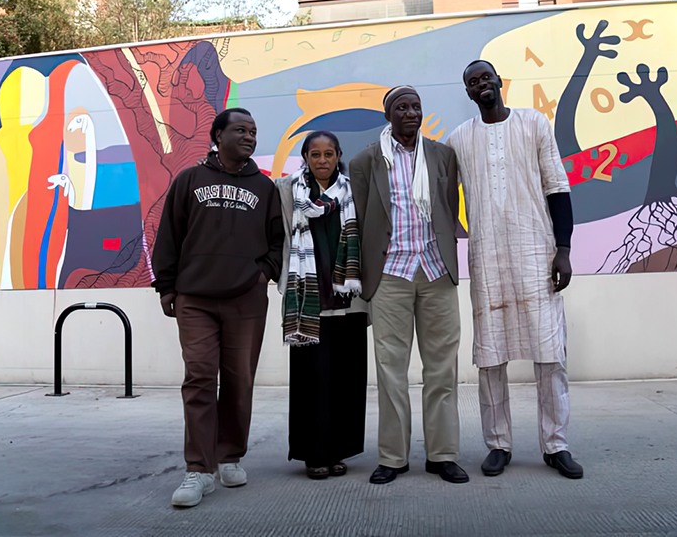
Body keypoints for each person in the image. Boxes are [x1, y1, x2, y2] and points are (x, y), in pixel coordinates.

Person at [446, 60, 583, 480]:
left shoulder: (533, 123)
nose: (481, 84)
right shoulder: (458, 139)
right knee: (490, 356)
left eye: (485, 77)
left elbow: (557, 186)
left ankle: (555, 444)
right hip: (487, 259)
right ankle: (498, 444)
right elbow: (441, 196)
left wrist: (563, 249)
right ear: (468, 93)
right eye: (472, 82)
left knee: (550, 352)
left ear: (499, 82)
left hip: (535, 251)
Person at [151, 107, 285, 508]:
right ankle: (198, 469)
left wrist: (263, 273)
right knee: (200, 377)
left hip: (246, 297)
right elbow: (169, 233)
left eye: (254, 131)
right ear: (217, 135)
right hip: (196, 298)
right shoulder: (190, 180)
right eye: (241, 130)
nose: (249, 136)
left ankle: (229, 456)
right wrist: (167, 286)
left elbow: (278, 240)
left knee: (239, 379)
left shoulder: (264, 188)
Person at [349, 85, 468, 485]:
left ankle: (443, 454)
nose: (411, 112)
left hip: (437, 272)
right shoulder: (367, 161)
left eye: (416, 106)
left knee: (442, 369)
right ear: (389, 115)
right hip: (390, 276)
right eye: (402, 107)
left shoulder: (442, 155)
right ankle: (393, 457)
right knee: (390, 370)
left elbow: (448, 207)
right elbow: (364, 218)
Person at [277, 131, 369, 480]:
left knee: (345, 379)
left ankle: (338, 451)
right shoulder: (289, 192)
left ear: (338, 155)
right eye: (315, 154)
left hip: (347, 301)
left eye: (329, 154)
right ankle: (314, 455)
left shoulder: (352, 191)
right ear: (305, 157)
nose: (322, 160)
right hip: (308, 303)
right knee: (310, 381)